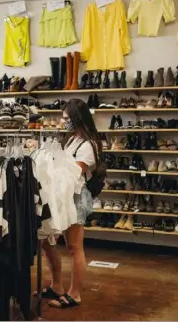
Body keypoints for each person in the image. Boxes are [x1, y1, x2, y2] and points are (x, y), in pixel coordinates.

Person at [37, 98, 102, 309]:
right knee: (47, 240)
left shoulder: (88, 145)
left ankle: (75, 294)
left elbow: (73, 173)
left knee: (74, 247)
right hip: (61, 194)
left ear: (76, 118)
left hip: (76, 196)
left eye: (66, 118)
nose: (63, 121)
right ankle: (57, 286)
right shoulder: (73, 139)